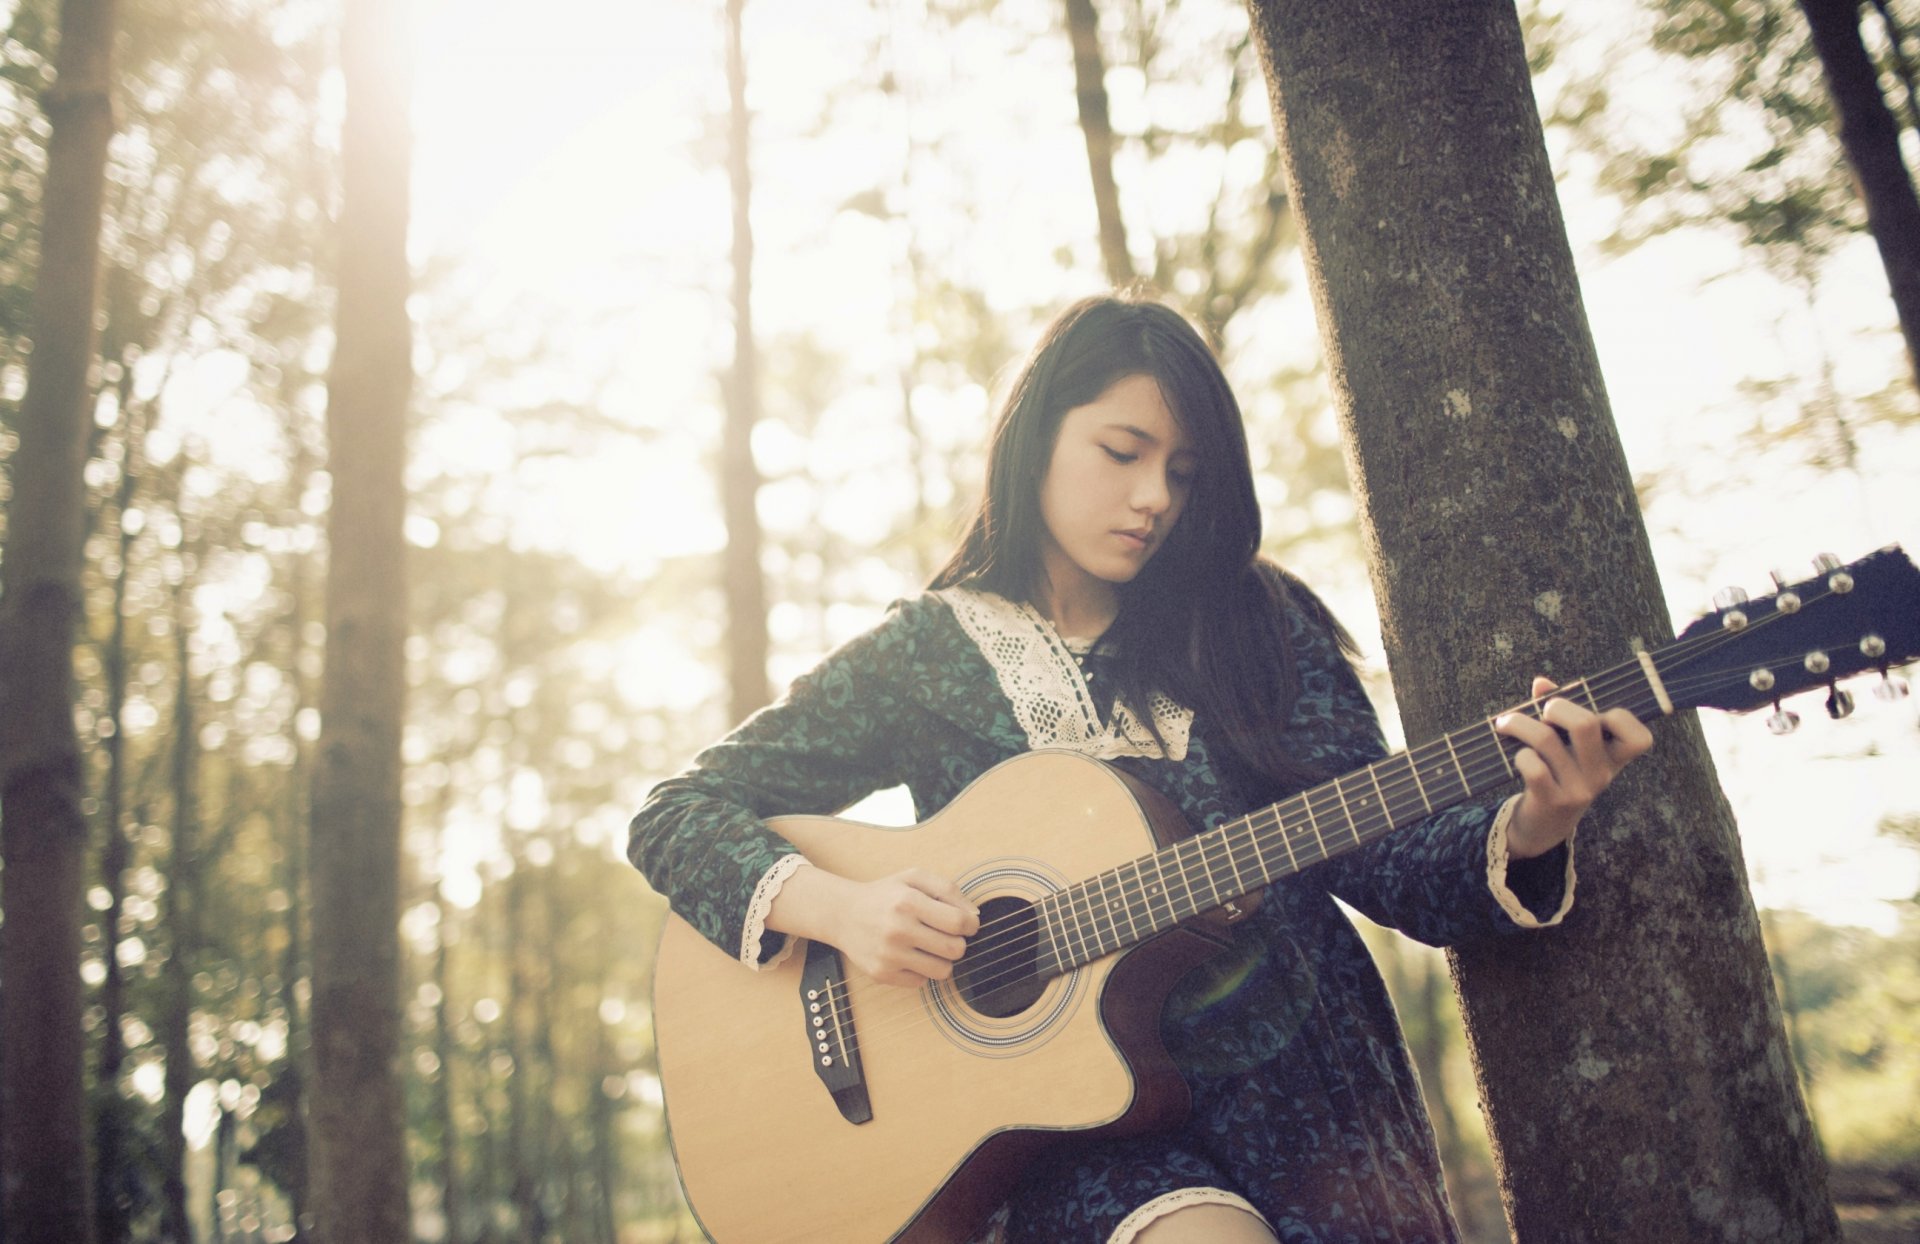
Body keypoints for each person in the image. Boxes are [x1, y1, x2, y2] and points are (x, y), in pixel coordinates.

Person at [629, 293, 1654, 1244]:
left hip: (1310, 1110)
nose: (1154, 496)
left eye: (1185, 471)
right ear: (1037, 437)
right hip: (1076, 1143)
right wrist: (844, 911)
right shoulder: (925, 654)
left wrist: (1529, 825)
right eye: (1122, 451)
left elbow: (1382, 853)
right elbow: (676, 813)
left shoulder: (1256, 618)